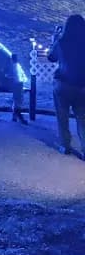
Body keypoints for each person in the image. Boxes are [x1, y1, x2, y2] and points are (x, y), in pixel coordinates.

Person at [48, 14, 85, 157]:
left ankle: (65, 146)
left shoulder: (61, 42)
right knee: (82, 119)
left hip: (62, 84)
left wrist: (54, 40)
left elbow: (51, 57)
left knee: (62, 116)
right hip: (82, 85)